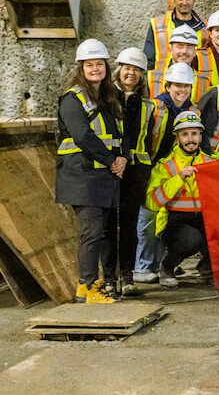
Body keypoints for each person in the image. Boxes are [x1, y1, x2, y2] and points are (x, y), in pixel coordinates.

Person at [56, 39, 126, 304]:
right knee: (92, 232)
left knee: (105, 232)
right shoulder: (72, 99)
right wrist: (112, 160)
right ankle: (85, 289)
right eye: (90, 65)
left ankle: (100, 283)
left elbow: (120, 132)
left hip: (103, 176)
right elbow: (83, 136)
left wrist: (122, 158)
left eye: (99, 64)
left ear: (106, 67)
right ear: (81, 68)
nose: (95, 69)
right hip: (81, 177)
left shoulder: (108, 97)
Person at [134, 62, 196, 284]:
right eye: (177, 85)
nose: (182, 90)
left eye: (186, 86)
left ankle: (157, 265)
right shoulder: (155, 107)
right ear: (168, 85)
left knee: (161, 218)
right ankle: (142, 267)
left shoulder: (192, 110)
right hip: (149, 168)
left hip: (170, 170)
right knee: (147, 217)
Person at [106, 47, 155, 298]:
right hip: (109, 167)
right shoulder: (105, 98)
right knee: (105, 225)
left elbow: (149, 140)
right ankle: (107, 277)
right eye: (128, 68)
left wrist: (143, 170)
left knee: (128, 224)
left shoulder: (147, 105)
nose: (131, 73)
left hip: (135, 171)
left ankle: (126, 274)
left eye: (136, 70)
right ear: (119, 69)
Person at [145, 111, 212, 288]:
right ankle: (167, 267)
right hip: (175, 220)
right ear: (178, 137)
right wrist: (178, 178)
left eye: (194, 133)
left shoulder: (210, 162)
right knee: (192, 240)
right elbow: (152, 201)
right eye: (185, 134)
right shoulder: (165, 165)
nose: (190, 139)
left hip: (202, 218)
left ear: (200, 135)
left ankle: (208, 268)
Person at [144, 0, 206, 67]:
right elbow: (148, 61)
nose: (184, 2)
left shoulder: (206, 28)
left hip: (194, 80)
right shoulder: (157, 24)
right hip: (163, 80)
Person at [147, 24, 200, 98]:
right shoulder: (151, 77)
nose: (184, 51)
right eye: (180, 46)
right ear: (170, 50)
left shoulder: (204, 81)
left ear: (194, 52)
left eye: (189, 47)